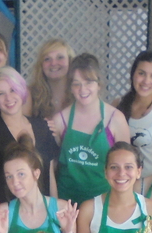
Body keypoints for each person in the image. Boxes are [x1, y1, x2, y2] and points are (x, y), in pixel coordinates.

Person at [50, 53, 131, 205]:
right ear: (71, 87)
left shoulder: (116, 119)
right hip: (67, 203)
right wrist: (54, 205)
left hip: (105, 202)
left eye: (88, 82)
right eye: (76, 84)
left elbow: (127, 165)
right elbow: (52, 166)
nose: (82, 89)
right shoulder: (60, 120)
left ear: (99, 84)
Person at [0, 66, 59, 207]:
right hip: (8, 215)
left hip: (43, 213)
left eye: (13, 90)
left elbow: (50, 177)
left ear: (21, 90)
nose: (8, 98)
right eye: (1, 94)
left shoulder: (43, 127)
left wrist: (55, 211)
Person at [114, 50, 152, 179]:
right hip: (119, 182)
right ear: (133, 75)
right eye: (141, 73)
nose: (146, 81)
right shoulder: (117, 105)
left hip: (149, 187)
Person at [28, 38, 74, 120]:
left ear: (70, 61)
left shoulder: (79, 93)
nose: (53, 63)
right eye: (47, 59)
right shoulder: (30, 96)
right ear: (41, 65)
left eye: (60, 57)